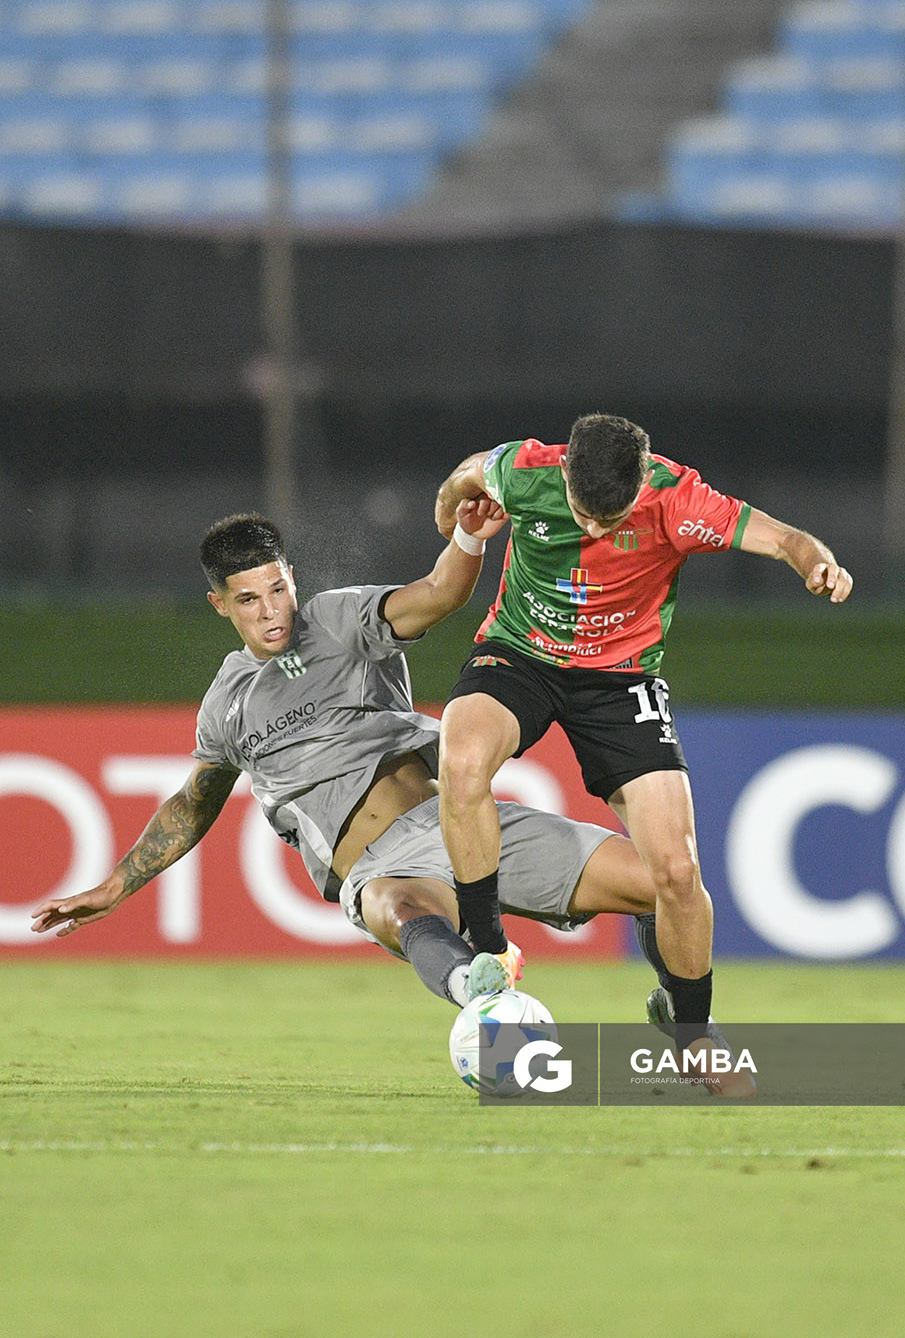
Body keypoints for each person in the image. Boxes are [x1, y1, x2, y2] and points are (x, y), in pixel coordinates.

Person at [31, 506, 671, 1031]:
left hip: (462, 825)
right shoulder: (227, 705)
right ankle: (479, 994)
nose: (271, 610)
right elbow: (193, 804)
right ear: (219, 604)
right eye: (249, 599)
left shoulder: (338, 620)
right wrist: (116, 886)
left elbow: (438, 594)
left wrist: (469, 536)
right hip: (377, 868)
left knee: (659, 882)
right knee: (401, 907)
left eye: (278, 588)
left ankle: (676, 1006)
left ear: (291, 578)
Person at [434, 413, 853, 1066]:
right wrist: (451, 516)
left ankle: (691, 1032)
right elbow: (465, 473)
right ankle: (490, 952)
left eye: (613, 516)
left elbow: (782, 538)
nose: (598, 528)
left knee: (677, 871)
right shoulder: (525, 472)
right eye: (585, 513)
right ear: (566, 474)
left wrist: (815, 562)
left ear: (641, 484)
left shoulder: (678, 500)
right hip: (519, 654)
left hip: (619, 680)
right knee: (460, 763)